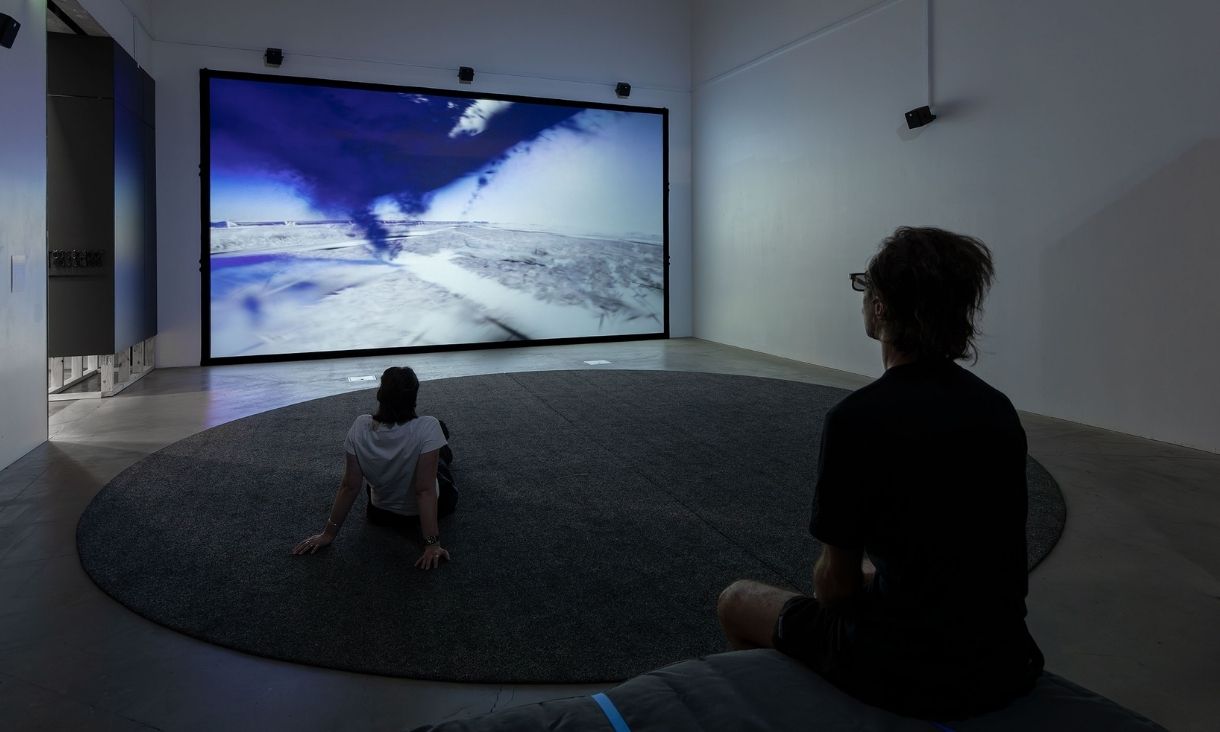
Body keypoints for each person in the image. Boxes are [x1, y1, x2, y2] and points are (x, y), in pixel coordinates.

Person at [716, 227, 1044, 720]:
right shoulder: (996, 410)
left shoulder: (857, 420)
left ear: (882, 307)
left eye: (865, 287)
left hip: (907, 671)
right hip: (1005, 659)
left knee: (737, 600)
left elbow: (837, 588)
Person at [292, 366, 456, 570]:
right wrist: (432, 544)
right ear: (414, 395)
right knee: (440, 447)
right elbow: (425, 491)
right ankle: (441, 449)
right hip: (428, 510)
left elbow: (349, 487)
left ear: (380, 394)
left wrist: (328, 534)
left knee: (420, 449)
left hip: (380, 514)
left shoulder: (360, 426)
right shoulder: (428, 426)